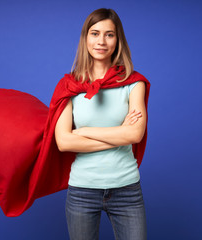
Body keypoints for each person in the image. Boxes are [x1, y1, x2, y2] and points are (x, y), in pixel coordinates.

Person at [54, 8, 148, 240]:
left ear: (118, 40)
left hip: (127, 189)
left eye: (109, 34)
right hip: (82, 191)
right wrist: (119, 133)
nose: (101, 41)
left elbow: (135, 135)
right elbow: (64, 142)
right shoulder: (69, 86)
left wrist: (85, 132)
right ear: (85, 38)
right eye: (95, 33)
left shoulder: (134, 83)